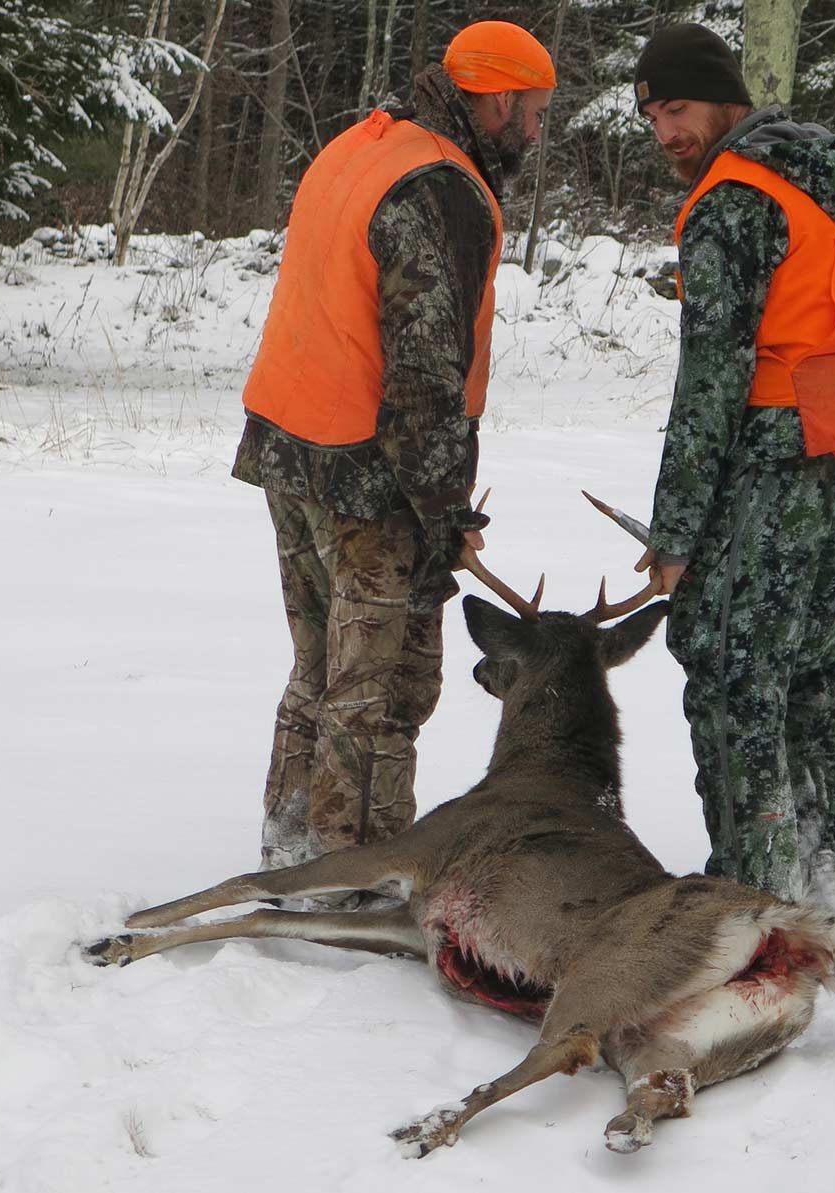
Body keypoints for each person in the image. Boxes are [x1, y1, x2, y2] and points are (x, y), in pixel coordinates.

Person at [631, 24, 835, 912]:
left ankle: (756, 896)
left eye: (679, 108)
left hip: (789, 445)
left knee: (734, 667)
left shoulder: (731, 199)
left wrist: (676, 533)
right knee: (808, 663)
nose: (667, 133)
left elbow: (712, 374)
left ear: (728, 99)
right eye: (653, 117)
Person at [231, 22, 555, 888]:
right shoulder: (439, 188)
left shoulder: (364, 143)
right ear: (497, 97)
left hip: (288, 447)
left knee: (321, 669)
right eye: (533, 112)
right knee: (384, 690)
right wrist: (445, 508)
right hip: (369, 475)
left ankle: (290, 851)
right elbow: (421, 371)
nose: (535, 131)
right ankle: (355, 879)